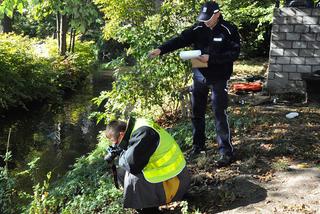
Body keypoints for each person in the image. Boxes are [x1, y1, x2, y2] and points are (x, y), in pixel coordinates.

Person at [148, 1, 240, 167]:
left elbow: (234, 53)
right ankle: (198, 146)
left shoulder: (229, 29)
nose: (205, 21)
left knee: (219, 112)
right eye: (203, 18)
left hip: (219, 76)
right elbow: (180, 40)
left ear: (217, 14)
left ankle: (225, 151)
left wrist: (211, 58)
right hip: (199, 74)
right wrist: (161, 50)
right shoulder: (198, 29)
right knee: (196, 111)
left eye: (208, 18)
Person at [105, 117, 190, 214]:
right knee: (122, 172)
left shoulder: (143, 133)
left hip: (175, 180)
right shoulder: (138, 125)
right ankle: (147, 205)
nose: (115, 144)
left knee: (132, 176)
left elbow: (132, 165)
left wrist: (121, 153)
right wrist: (123, 149)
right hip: (175, 173)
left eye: (115, 142)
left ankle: (150, 209)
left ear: (121, 134)